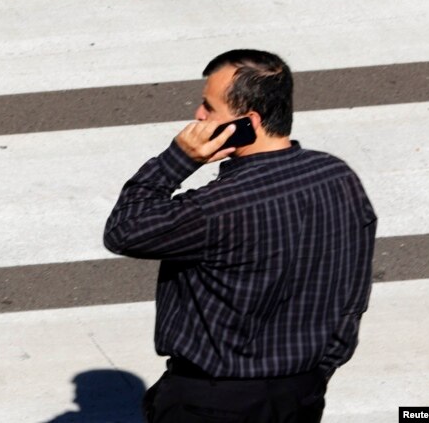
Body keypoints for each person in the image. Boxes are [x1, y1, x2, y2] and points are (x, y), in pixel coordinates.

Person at [103, 49, 376, 422]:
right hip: (299, 393)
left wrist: (178, 158)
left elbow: (124, 231)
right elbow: (352, 293)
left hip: (211, 400)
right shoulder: (336, 176)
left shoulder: (217, 207)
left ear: (248, 121)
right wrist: (319, 371)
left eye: (208, 107)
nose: (198, 116)